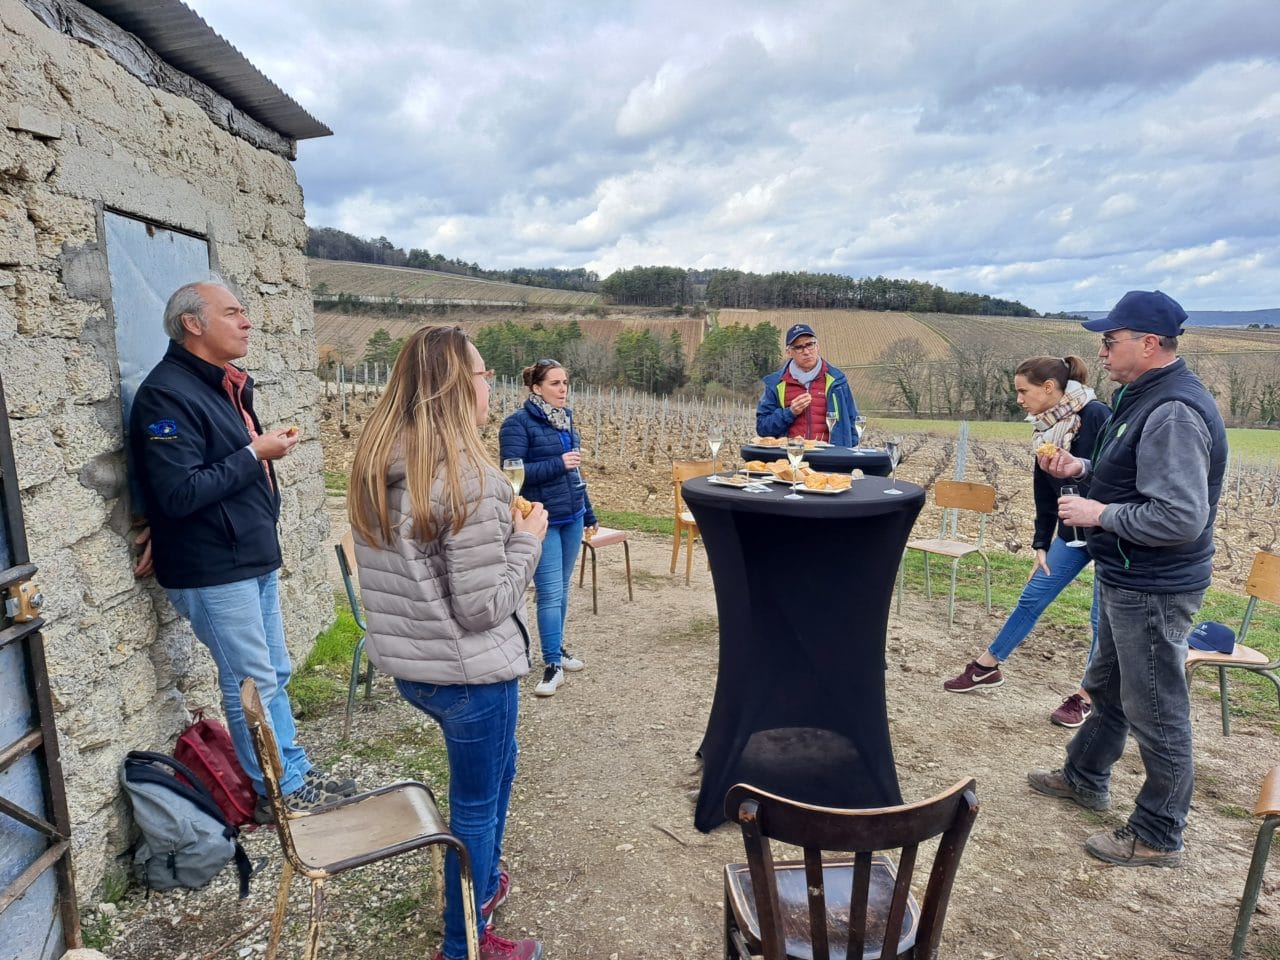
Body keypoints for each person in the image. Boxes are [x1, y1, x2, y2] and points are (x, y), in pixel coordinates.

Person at [349, 325, 547, 960]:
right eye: (485, 374)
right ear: (459, 390)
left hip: (417, 668)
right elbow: (484, 605)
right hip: (471, 675)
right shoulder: (473, 483)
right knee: (477, 807)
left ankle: (481, 885)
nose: (491, 384)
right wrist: (529, 538)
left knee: (497, 771)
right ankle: (467, 943)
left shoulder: (380, 464)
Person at [130, 278, 355, 824]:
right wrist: (256, 452)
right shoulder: (166, 395)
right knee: (248, 683)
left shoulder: (219, 386)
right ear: (193, 323)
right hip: (212, 567)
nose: (247, 322)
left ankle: (294, 774)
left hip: (248, 556)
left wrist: (256, 451)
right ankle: (276, 794)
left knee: (271, 671)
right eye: (233, 313)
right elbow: (178, 492)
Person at [1027, 290, 1227, 868]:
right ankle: (1085, 776)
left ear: (1148, 343)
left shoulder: (1173, 411)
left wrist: (1098, 513)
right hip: (1129, 573)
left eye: (1110, 339)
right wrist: (1083, 468)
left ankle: (1159, 833)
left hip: (1155, 584)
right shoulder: (1142, 397)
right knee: (1107, 682)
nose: (1102, 349)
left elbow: (1180, 515)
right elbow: (1136, 472)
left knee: (1157, 707)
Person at [944, 356, 1110, 728]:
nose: (1019, 399)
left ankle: (1087, 696)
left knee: (1102, 620)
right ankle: (988, 666)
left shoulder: (1096, 415)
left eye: (1023, 391)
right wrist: (1040, 542)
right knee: (1033, 596)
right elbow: (1044, 489)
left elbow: (1111, 476)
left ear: (1049, 388)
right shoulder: (1045, 427)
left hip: (1109, 531)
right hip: (1070, 532)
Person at [499, 358, 598, 697]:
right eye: (555, 383)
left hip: (571, 515)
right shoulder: (517, 424)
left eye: (565, 382)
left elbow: (576, 476)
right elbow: (513, 475)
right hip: (542, 520)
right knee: (550, 593)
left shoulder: (565, 421)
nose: (563, 389)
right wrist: (558, 463)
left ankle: (557, 648)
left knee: (563, 589)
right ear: (536, 388)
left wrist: (588, 512)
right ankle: (551, 664)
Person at [756, 323, 859, 444]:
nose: (806, 352)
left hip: (831, 459)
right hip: (792, 457)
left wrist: (847, 455)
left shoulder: (837, 381)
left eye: (810, 345)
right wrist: (790, 412)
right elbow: (763, 428)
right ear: (789, 352)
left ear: (817, 346)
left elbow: (853, 422)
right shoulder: (775, 384)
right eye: (799, 347)